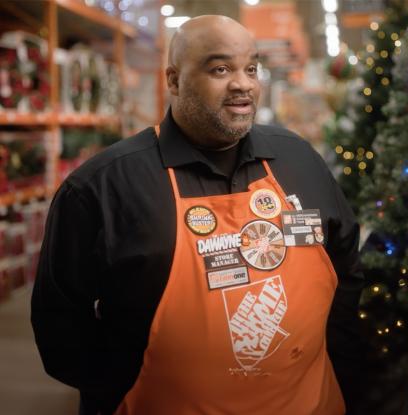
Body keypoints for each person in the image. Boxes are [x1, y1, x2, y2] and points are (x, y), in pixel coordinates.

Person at [31, 15, 364, 415]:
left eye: (251, 68)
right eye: (220, 69)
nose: (243, 83)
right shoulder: (102, 187)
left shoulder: (299, 160)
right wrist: (120, 390)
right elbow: (60, 325)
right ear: (173, 80)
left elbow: (346, 268)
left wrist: (339, 362)